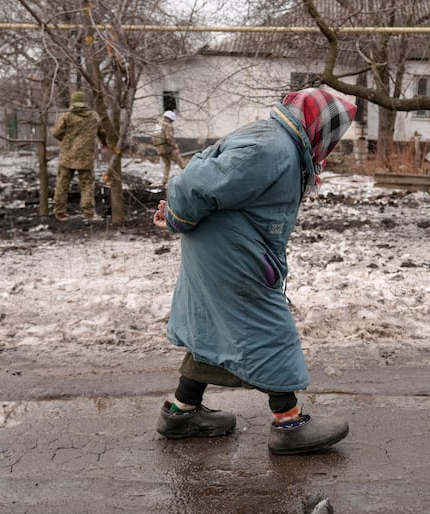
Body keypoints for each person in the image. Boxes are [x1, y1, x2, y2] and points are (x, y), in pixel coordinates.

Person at [152, 87, 357, 455]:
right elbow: (192, 184)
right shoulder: (272, 149)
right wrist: (175, 216)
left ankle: (182, 412)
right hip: (232, 253)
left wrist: (178, 216)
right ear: (318, 126)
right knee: (267, 328)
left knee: (217, 323)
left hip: (225, 247)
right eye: (334, 135)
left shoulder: (276, 142)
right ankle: (288, 423)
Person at [51, 91, 107, 222]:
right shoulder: (93, 116)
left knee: (62, 184)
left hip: (67, 156)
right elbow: (102, 132)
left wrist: (64, 140)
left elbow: (56, 133)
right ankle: (88, 214)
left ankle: (59, 212)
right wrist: (104, 143)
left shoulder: (66, 116)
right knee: (87, 185)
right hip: (86, 157)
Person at [151, 110, 185, 186]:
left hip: (159, 149)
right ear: (171, 119)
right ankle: (191, 177)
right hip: (168, 149)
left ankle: (164, 181)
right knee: (181, 162)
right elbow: (169, 138)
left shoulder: (158, 125)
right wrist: (175, 147)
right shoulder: (168, 125)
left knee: (167, 165)